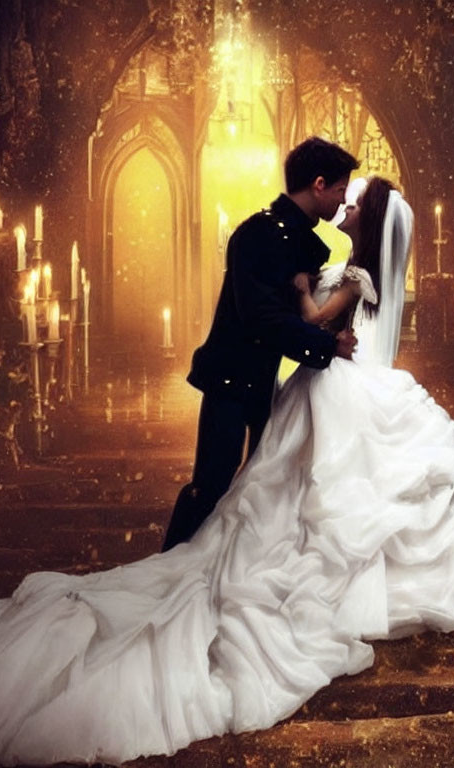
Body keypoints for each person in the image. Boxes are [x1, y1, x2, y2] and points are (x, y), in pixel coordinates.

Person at [0, 177, 454, 768]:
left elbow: (314, 324)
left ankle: (306, 579)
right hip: (335, 386)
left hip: (339, 390)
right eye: (346, 196)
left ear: (372, 219)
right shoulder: (355, 268)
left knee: (316, 501)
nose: (347, 206)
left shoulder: (357, 277)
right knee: (306, 499)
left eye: (356, 204)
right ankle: (301, 570)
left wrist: (304, 290)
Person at [162, 136, 360, 551]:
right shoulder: (258, 234)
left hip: (262, 380)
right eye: (340, 190)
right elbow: (263, 317)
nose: (342, 201)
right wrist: (325, 347)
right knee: (213, 484)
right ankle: (171, 563)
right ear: (319, 184)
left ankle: (236, 565)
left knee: (260, 484)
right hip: (231, 378)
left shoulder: (294, 237)